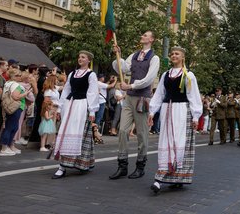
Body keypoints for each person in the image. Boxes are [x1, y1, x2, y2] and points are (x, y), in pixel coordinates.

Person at [148, 47, 202, 193]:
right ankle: (163, 176)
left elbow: (193, 95)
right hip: (167, 110)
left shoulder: (188, 75)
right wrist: (152, 112)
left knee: (179, 142)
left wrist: (196, 116)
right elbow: (159, 94)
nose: (173, 55)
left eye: (176, 54)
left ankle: (171, 178)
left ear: (183, 57)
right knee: (166, 141)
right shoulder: (165, 75)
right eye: (171, 54)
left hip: (182, 111)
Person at [109, 31, 160, 180]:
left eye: (145, 35)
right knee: (123, 130)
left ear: (151, 39)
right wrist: (118, 55)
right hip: (129, 99)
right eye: (142, 35)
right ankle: (122, 165)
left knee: (142, 133)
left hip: (142, 98)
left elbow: (149, 79)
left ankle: (140, 165)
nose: (142, 36)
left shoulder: (154, 58)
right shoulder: (135, 55)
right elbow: (122, 68)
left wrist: (130, 86)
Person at [52, 50, 99, 178]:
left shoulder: (91, 75)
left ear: (88, 60)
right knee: (65, 132)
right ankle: (62, 166)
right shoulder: (73, 73)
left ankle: (82, 163)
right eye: (79, 57)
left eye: (83, 57)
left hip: (82, 105)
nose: (80, 59)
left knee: (80, 133)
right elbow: (66, 90)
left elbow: (92, 93)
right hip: (70, 104)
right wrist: (60, 109)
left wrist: (92, 110)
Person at [0, 68, 28, 156]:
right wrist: (25, 94)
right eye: (17, 75)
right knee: (10, 127)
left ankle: (8, 146)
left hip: (10, 107)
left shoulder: (8, 83)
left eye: (20, 75)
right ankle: (4, 148)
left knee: (12, 127)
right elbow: (15, 97)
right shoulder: (15, 85)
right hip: (15, 107)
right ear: (12, 76)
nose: (19, 77)